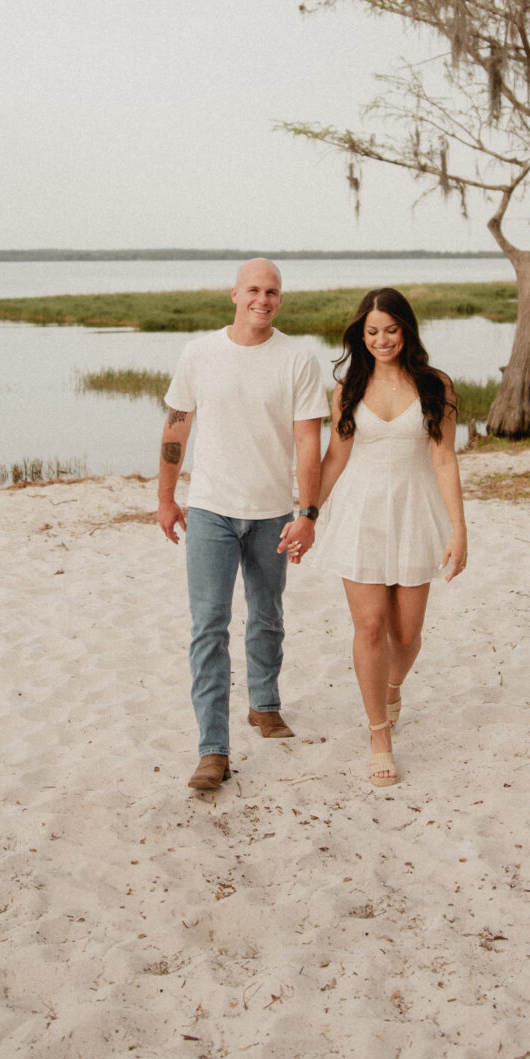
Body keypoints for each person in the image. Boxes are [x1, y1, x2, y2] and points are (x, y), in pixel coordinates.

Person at [158, 258, 329, 791]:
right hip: (209, 510)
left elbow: (308, 441)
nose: (263, 299)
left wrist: (307, 513)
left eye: (273, 291)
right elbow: (176, 428)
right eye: (254, 289)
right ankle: (213, 749)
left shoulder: (297, 359)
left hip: (272, 513)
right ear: (233, 294)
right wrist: (166, 497)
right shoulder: (199, 354)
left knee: (268, 615)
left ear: (281, 298)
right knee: (209, 626)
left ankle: (264, 704)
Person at [312, 287, 467, 786]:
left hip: (415, 512)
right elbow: (335, 457)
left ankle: (393, 685)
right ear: (362, 334)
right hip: (360, 515)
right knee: (371, 627)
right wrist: (307, 513)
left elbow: (444, 458)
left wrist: (459, 530)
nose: (382, 340)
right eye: (372, 331)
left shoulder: (435, 384)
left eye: (391, 330)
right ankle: (379, 733)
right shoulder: (347, 387)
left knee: (406, 634)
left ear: (407, 330)